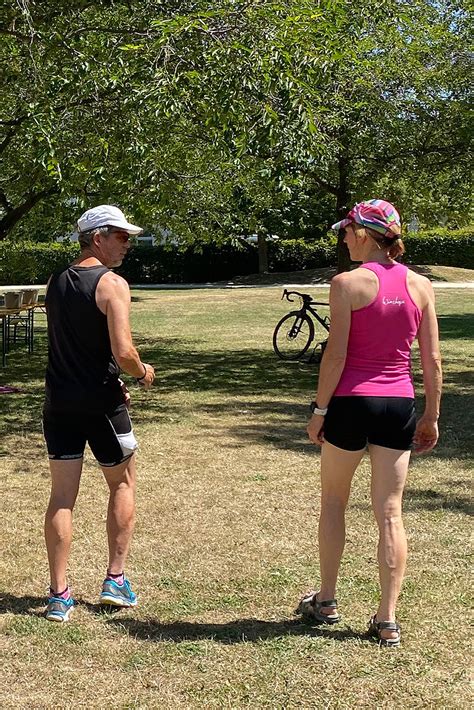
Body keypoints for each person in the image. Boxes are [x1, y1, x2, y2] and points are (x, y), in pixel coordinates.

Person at [298, 199, 442, 646]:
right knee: (390, 512)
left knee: (334, 501)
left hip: (350, 404)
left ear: (363, 233)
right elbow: (433, 360)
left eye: (347, 230)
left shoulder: (346, 283)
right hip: (397, 406)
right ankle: (387, 620)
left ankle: (326, 600)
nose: (343, 238)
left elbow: (336, 356)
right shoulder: (421, 285)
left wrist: (319, 412)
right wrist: (432, 416)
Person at [42, 204, 155, 622]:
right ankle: (115, 581)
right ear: (97, 237)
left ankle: (59, 595)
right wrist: (141, 372)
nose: (127, 244)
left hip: (59, 403)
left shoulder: (55, 281)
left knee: (61, 497)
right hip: (102, 405)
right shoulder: (112, 283)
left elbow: (74, 345)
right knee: (122, 483)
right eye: (121, 236)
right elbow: (123, 352)